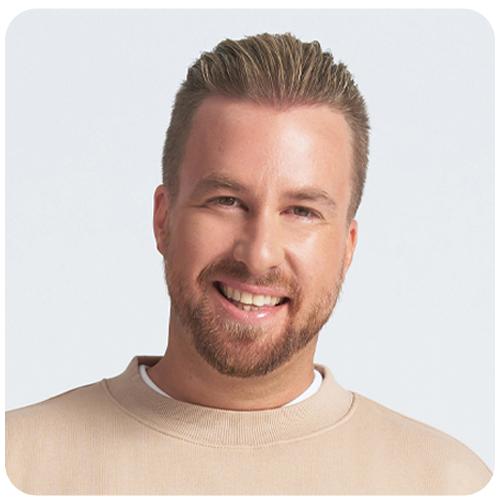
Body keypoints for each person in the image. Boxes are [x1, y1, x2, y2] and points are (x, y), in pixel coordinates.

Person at [6, 32, 497, 497]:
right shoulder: (16, 466)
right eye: (226, 201)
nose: (259, 254)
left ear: (347, 248)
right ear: (163, 220)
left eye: (301, 211)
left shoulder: (453, 488)